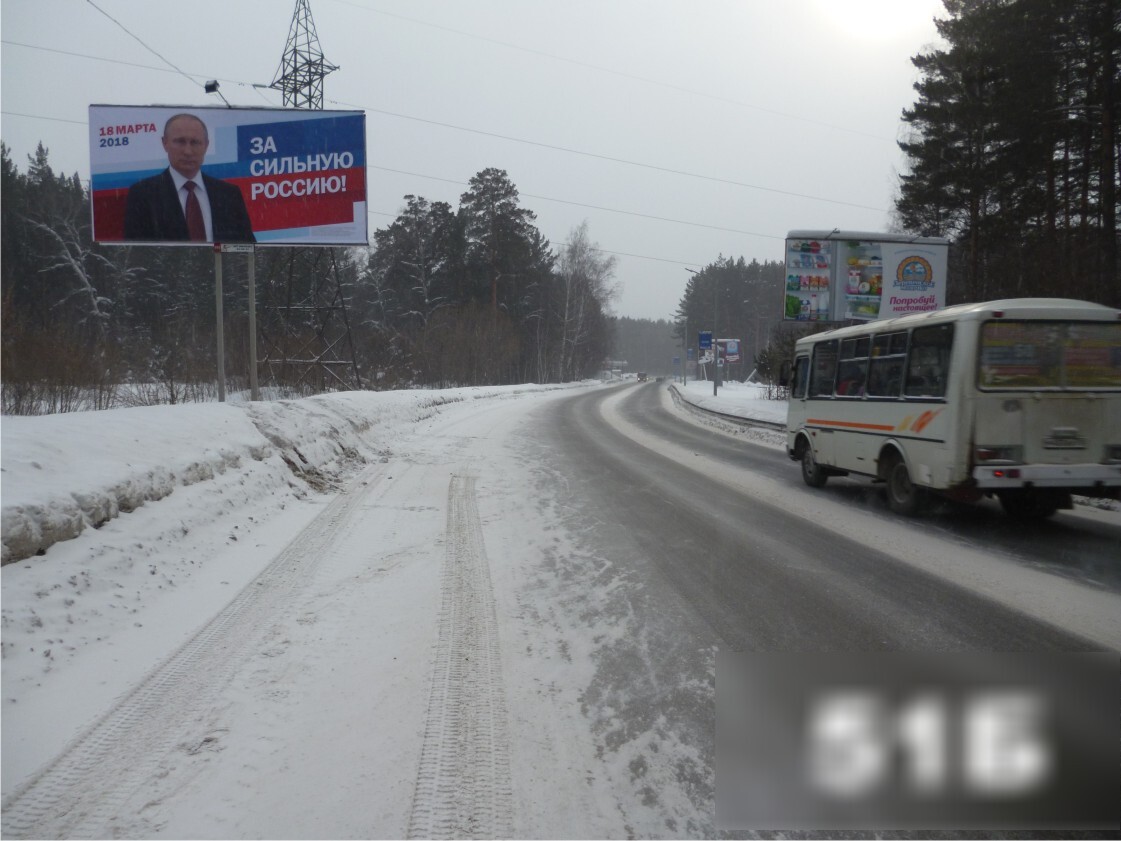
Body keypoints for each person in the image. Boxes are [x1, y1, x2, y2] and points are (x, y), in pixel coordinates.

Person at [123, 113, 255, 243]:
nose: (188, 151)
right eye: (180, 142)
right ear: (165, 143)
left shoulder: (229, 194)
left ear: (206, 145)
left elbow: (247, 249)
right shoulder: (143, 195)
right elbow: (138, 253)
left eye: (195, 142)